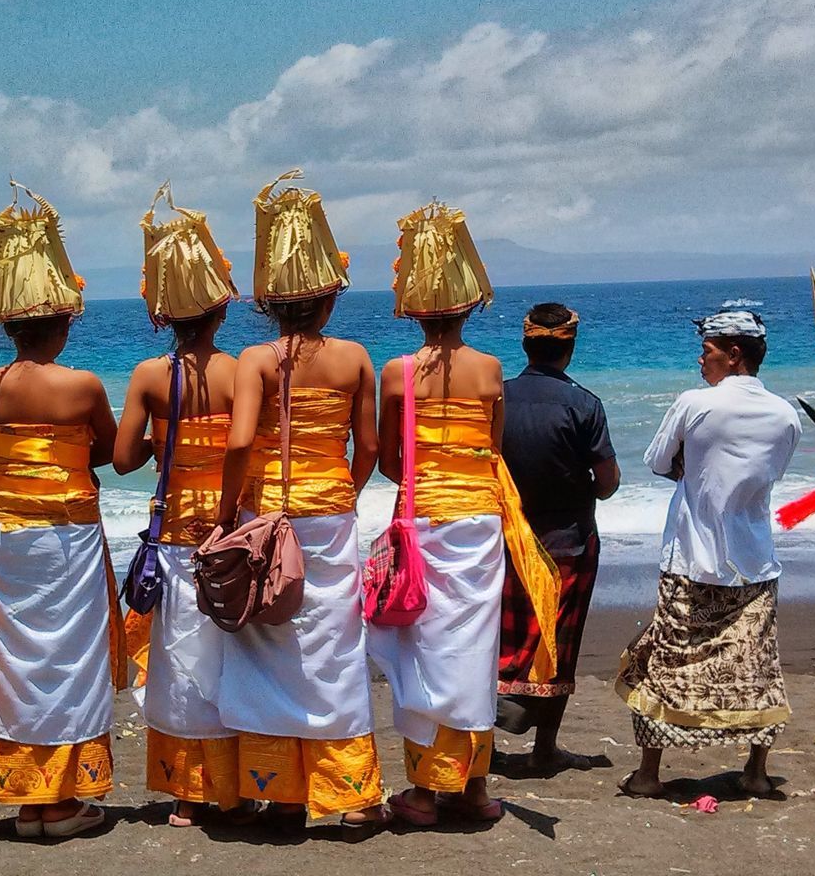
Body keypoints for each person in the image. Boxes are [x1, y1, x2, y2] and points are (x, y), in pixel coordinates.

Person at [367, 203, 560, 827]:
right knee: (473, 651)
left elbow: (391, 460)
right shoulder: (492, 370)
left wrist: (424, 481)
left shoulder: (397, 374)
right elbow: (492, 450)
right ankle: (474, 789)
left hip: (424, 519)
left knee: (422, 646)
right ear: (469, 306)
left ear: (416, 309)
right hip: (478, 520)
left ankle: (423, 791)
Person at [212, 169, 388, 839]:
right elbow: (366, 445)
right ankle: (346, 790)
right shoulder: (354, 358)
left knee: (271, 643)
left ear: (269, 304)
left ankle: (279, 793)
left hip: (270, 514)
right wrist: (347, 487)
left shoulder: (255, 359)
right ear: (328, 300)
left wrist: (233, 512)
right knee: (334, 646)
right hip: (330, 510)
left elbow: (237, 442)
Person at [0, 185, 124, 838]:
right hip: (67, 538)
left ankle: (30, 797)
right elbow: (114, 454)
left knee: (18, 661)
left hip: (8, 538)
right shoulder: (82, 384)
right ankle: (62, 801)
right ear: (61, 325)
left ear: (8, 327)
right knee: (72, 659)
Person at [617, 310, 800, 798]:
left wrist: (688, 464)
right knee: (757, 664)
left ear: (733, 354)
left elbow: (658, 461)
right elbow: (769, 475)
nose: (702, 359)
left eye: (708, 351)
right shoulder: (785, 414)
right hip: (754, 560)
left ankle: (649, 774)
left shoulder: (695, 403)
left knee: (668, 662)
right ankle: (757, 772)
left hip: (691, 559)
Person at [113, 182, 249, 827]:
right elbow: (247, 446)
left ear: (166, 318)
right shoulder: (239, 370)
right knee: (231, 651)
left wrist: (162, 442)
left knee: (179, 655)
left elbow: (121, 458)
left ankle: (189, 793)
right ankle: (239, 780)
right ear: (219, 314)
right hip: (228, 522)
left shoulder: (147, 375)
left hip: (171, 527)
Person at [496, 303, 620, 772]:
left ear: (527, 345)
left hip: (507, 538)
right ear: (568, 349)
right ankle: (544, 748)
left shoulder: (499, 398)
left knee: (495, 639)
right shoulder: (585, 404)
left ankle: (479, 739)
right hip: (568, 539)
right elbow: (607, 482)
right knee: (560, 642)